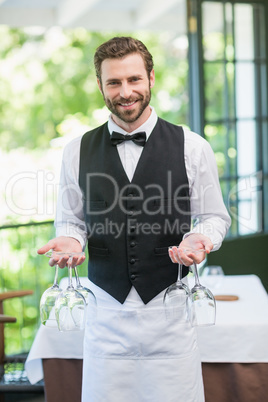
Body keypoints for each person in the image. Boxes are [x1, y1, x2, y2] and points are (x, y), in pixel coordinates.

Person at [38, 36, 231, 401]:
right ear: (100, 85)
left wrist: (200, 238)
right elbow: (70, 222)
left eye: (134, 80)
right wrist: (71, 240)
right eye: (114, 82)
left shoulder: (193, 147)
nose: (125, 92)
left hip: (170, 311)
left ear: (151, 78)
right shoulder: (76, 151)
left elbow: (213, 217)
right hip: (105, 311)